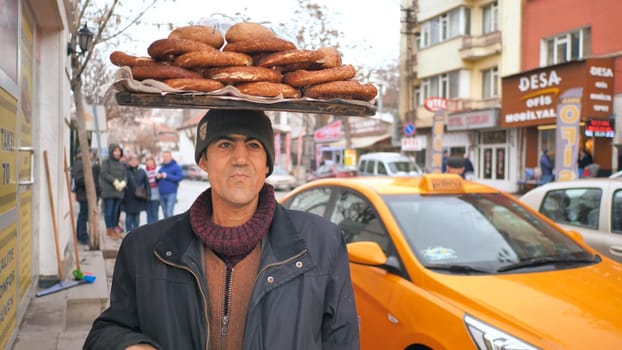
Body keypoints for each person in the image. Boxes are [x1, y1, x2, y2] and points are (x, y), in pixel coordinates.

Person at [84, 109, 359, 349]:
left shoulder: (321, 243)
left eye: (253, 145)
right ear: (203, 160)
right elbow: (105, 332)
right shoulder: (145, 248)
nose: (240, 158)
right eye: (225, 145)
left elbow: (342, 340)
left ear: (267, 164)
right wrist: (128, 346)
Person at [71, 151, 101, 245]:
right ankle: (82, 235)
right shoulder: (80, 164)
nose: (91, 155)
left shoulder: (88, 164)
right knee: (83, 215)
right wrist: (90, 182)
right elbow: (79, 180)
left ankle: (81, 235)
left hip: (89, 194)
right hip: (83, 194)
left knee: (85, 215)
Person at [99, 144, 126, 240]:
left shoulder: (121, 164)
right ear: (111, 152)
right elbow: (104, 173)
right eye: (115, 151)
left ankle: (114, 228)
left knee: (116, 212)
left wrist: (123, 182)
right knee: (109, 211)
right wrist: (114, 181)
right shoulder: (106, 162)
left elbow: (124, 175)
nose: (117, 153)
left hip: (118, 191)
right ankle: (109, 229)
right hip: (109, 191)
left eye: (119, 151)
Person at [122, 153, 150, 232]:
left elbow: (147, 184)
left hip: (139, 197)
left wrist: (148, 195)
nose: (134, 162)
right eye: (132, 160)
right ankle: (128, 233)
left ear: (138, 161)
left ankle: (135, 233)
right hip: (128, 197)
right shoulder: (125, 171)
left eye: (135, 160)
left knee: (137, 217)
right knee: (129, 217)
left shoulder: (142, 172)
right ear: (129, 161)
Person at [156, 150, 183, 218]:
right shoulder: (162, 167)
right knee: (165, 213)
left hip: (171, 193)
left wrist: (167, 176)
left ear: (171, 157)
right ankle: (167, 228)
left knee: (169, 213)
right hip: (161, 193)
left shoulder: (175, 166)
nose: (165, 158)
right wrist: (157, 177)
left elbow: (180, 177)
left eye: (167, 156)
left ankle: (172, 228)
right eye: (164, 156)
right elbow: (156, 180)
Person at [144, 154, 160, 224]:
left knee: (155, 214)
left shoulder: (158, 169)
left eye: (151, 161)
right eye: (148, 161)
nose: (150, 162)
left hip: (156, 196)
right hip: (147, 196)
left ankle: (155, 230)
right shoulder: (144, 171)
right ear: (146, 162)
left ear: (153, 162)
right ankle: (149, 230)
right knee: (148, 214)